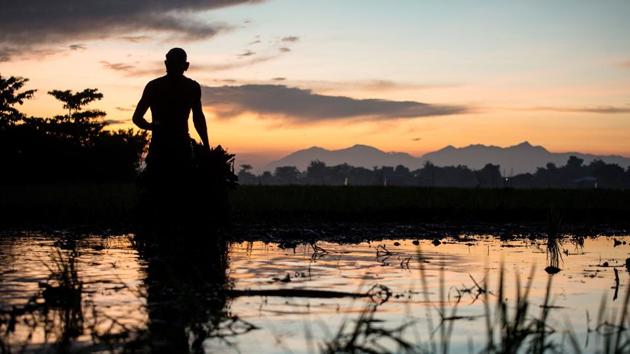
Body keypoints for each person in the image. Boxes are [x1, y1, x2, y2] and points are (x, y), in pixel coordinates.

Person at [132, 48, 209, 181]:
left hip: (167, 148)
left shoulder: (155, 86)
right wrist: (206, 146)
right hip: (171, 148)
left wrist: (153, 127)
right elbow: (198, 119)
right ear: (186, 66)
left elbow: (137, 118)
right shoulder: (191, 87)